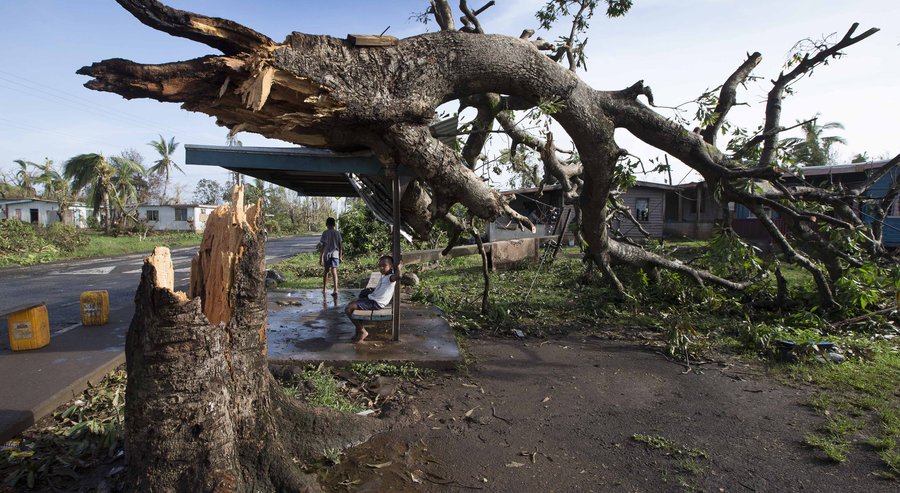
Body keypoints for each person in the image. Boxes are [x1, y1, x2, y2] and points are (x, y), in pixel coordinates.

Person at [345, 255, 401, 343]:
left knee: (349, 308)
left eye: (384, 266)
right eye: (380, 266)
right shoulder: (385, 276)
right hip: (373, 299)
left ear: (391, 266)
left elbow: (398, 276)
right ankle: (358, 332)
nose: (381, 268)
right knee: (358, 300)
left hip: (376, 303)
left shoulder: (390, 277)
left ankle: (362, 331)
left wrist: (398, 268)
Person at [319, 217, 342, 296]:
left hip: (327, 255)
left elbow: (323, 245)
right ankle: (336, 289)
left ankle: (324, 288)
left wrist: (321, 257)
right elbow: (340, 245)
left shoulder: (325, 233)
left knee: (326, 271)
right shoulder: (337, 233)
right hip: (335, 254)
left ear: (326, 224)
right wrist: (340, 255)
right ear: (334, 224)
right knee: (334, 271)